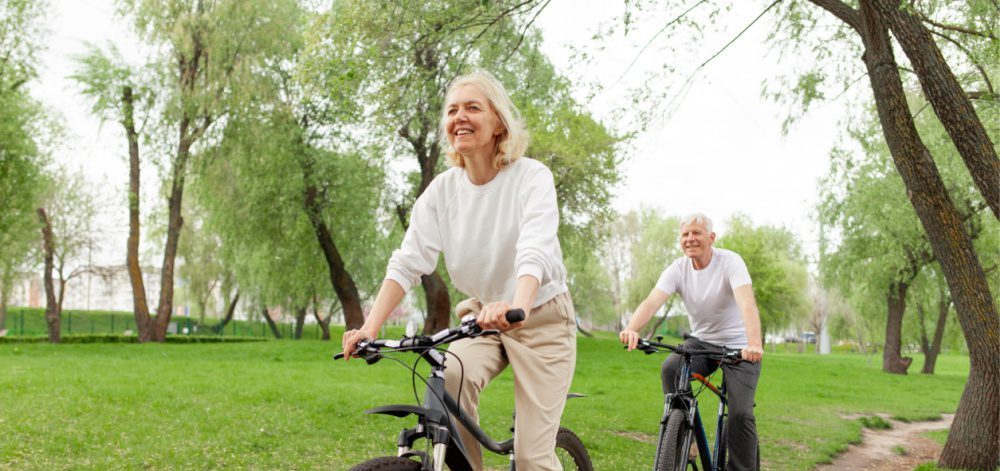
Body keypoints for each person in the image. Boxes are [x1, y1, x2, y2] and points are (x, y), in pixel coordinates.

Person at [341, 70, 576, 471]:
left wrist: (515, 307)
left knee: (533, 458)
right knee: (448, 382)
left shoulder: (531, 177)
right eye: (452, 110)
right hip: (481, 320)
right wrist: (370, 328)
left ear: (498, 121)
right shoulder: (442, 191)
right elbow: (408, 261)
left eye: (472, 108)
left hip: (540, 319)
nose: (459, 117)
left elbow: (533, 249)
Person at [620, 213, 763, 471]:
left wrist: (753, 343)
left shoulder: (730, 262)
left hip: (739, 346)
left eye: (696, 233)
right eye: (685, 234)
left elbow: (746, 303)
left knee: (740, 413)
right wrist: (632, 328)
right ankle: (687, 434)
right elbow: (653, 300)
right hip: (702, 342)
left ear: (711, 237)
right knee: (671, 369)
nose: (690, 239)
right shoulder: (678, 269)